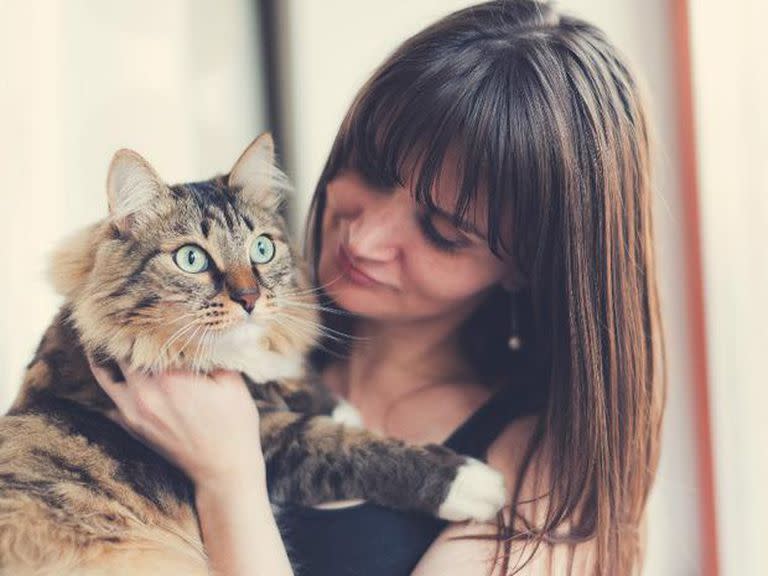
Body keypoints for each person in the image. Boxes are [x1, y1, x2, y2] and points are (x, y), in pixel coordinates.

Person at [91, 1, 667, 574]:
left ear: (527, 265)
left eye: (443, 232)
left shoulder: (542, 480)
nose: (363, 240)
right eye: (369, 169)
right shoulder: (216, 334)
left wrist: (229, 479)